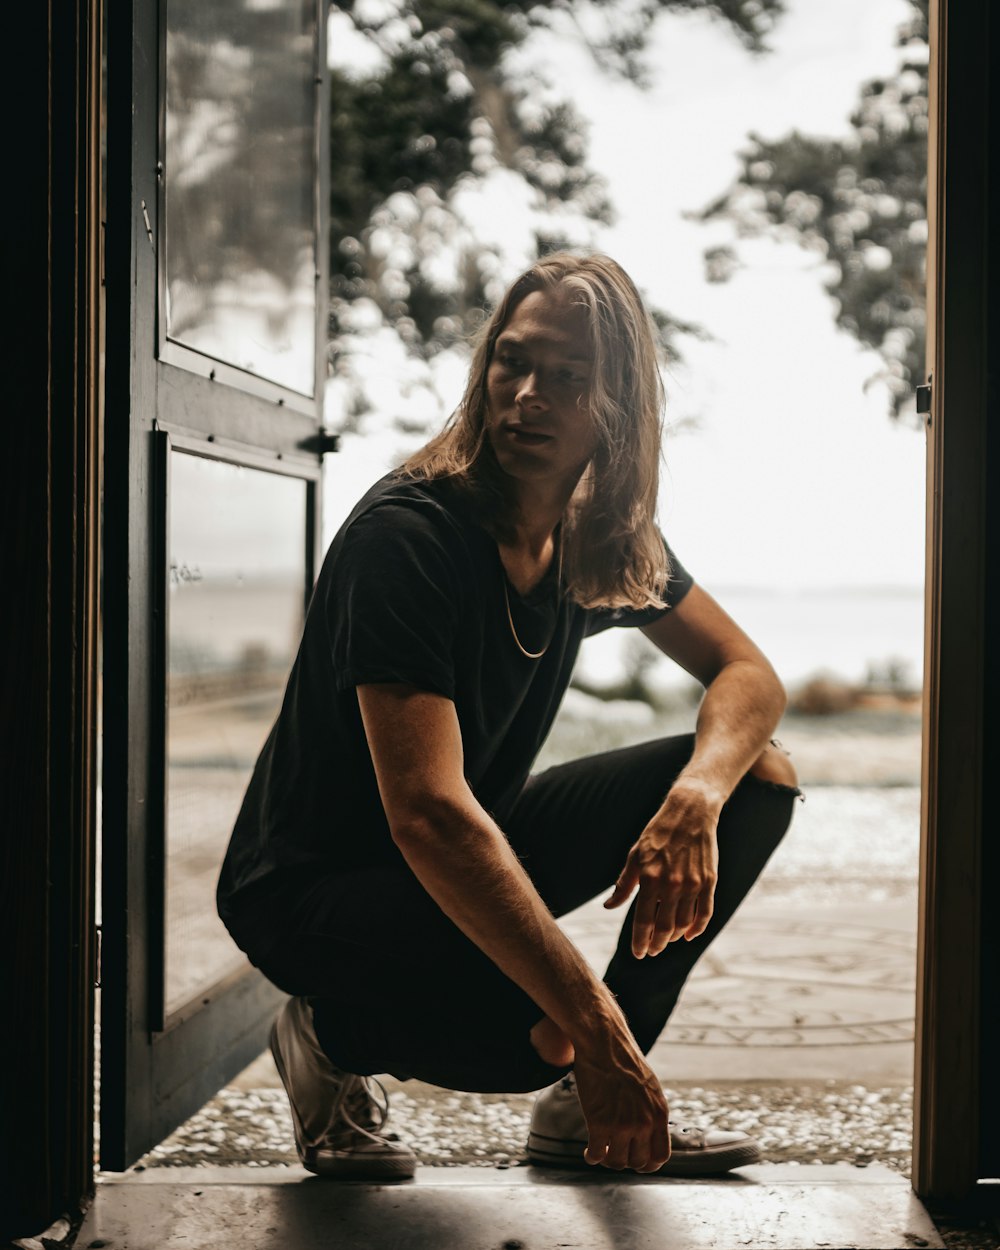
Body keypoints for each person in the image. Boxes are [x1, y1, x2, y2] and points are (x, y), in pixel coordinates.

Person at [216, 252, 801, 1181]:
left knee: (759, 779)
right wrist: (594, 1024)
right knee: (543, 1037)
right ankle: (327, 1030)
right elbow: (428, 816)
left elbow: (748, 673)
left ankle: (582, 1108)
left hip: (463, 844)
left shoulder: (596, 532)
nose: (527, 395)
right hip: (316, 891)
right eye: (512, 362)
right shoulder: (407, 539)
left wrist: (695, 797)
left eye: (567, 377)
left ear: (618, 403)